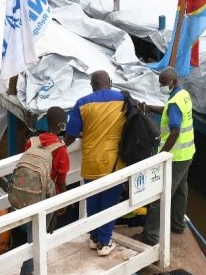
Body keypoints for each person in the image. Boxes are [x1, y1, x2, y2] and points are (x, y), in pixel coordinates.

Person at [64, 70, 126, 256]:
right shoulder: (123, 100)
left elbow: (71, 135)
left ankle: (94, 237)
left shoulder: (82, 103)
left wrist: (56, 147)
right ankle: (104, 243)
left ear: (92, 85)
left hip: (91, 160)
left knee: (93, 201)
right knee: (109, 203)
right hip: (114, 162)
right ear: (111, 82)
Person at [137, 67, 196, 244]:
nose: (161, 86)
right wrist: (148, 107)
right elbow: (168, 111)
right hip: (187, 153)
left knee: (161, 194)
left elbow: (175, 132)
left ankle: (151, 236)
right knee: (180, 190)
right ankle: (177, 224)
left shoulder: (174, 103)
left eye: (163, 83)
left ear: (173, 81)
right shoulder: (183, 95)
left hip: (175, 157)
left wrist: (161, 155)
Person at [15, 106, 70, 275]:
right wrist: (63, 200)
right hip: (46, 197)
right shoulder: (60, 148)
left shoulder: (32, 141)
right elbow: (61, 178)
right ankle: (25, 274)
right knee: (37, 236)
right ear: (61, 125)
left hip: (29, 193)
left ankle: (33, 266)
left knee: (34, 232)